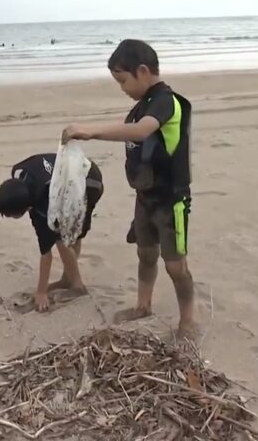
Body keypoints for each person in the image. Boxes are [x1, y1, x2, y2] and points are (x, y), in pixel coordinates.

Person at [61, 39, 197, 339]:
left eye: (123, 80)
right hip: (145, 197)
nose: (122, 88)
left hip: (170, 200)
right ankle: (143, 305)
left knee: (176, 266)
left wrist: (92, 131)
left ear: (143, 70)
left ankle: (187, 320)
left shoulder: (164, 101)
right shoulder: (142, 105)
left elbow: (140, 131)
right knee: (145, 255)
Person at [0, 153, 103, 312]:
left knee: (63, 239)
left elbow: (46, 253)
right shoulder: (23, 179)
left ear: (24, 209)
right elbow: (44, 244)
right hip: (70, 177)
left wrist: (41, 292)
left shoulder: (46, 201)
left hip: (89, 181)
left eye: (11, 215)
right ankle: (68, 279)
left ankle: (78, 286)